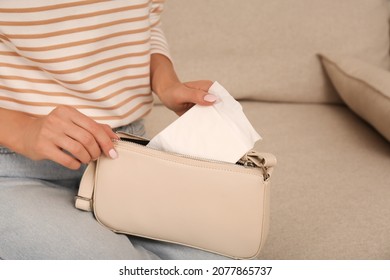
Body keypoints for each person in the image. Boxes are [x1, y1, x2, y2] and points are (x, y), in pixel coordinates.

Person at [0, 0, 225, 259]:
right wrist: (24, 130)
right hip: (14, 169)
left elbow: (146, 20)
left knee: (221, 259)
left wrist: (167, 84)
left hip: (125, 154)